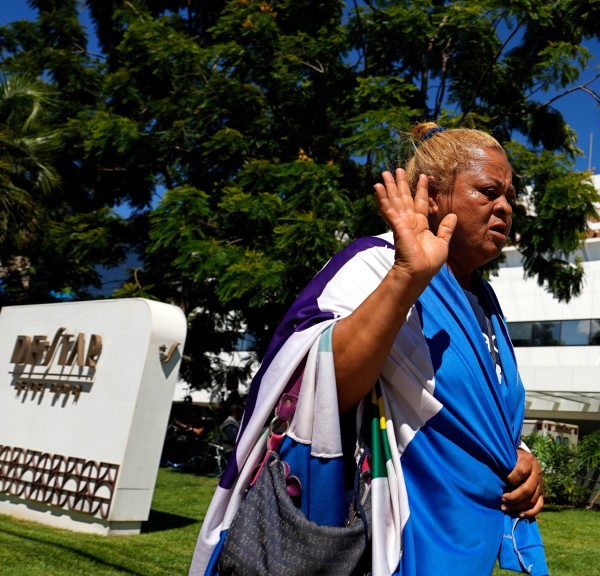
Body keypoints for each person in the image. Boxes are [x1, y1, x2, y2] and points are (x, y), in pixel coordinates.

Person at [190, 123, 546, 576]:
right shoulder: (377, 263)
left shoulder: (485, 303)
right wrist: (406, 278)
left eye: (509, 196)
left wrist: (520, 458)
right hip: (399, 541)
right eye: (488, 191)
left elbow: (485, 418)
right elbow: (323, 384)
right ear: (433, 196)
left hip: (469, 546)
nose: (505, 207)